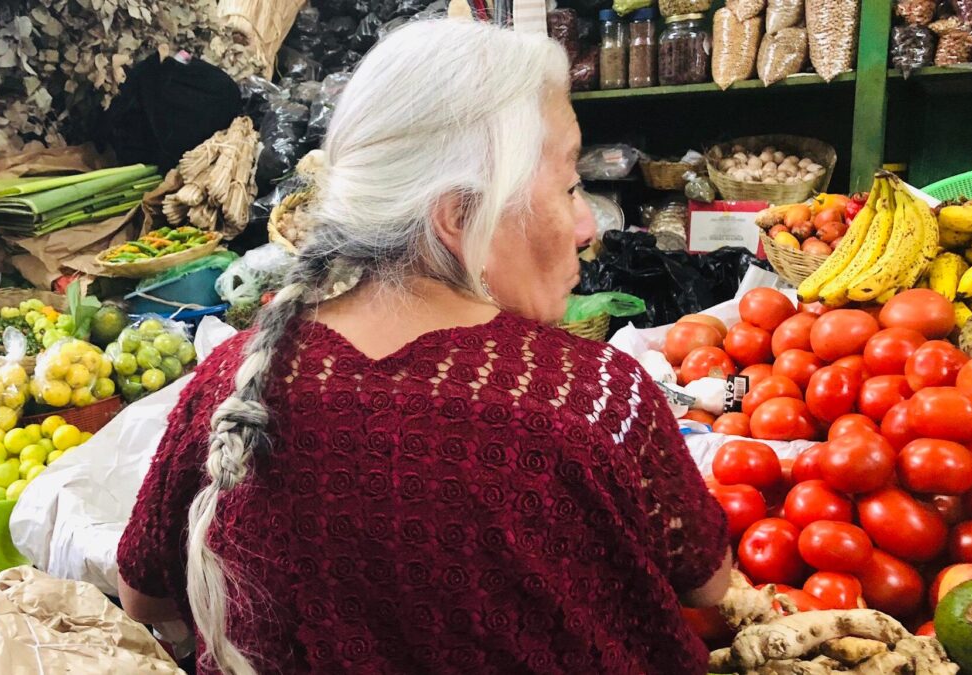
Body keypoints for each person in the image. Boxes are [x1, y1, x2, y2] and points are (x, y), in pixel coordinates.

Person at [117, 17, 731, 675]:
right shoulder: (592, 397)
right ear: (461, 214)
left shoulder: (230, 382)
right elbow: (713, 590)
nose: (585, 226)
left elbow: (142, 596)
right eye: (570, 185)